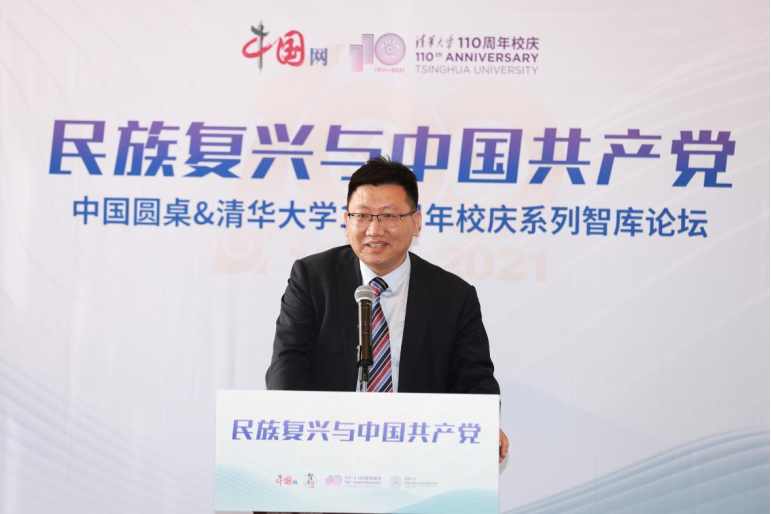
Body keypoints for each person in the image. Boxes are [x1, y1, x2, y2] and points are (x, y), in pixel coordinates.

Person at [266, 156, 509, 462]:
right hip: (327, 446)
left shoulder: (453, 295)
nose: (374, 229)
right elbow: (288, 363)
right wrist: (291, 427)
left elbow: (474, 377)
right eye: (362, 216)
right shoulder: (313, 278)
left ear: (415, 223)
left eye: (389, 216)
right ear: (347, 222)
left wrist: (483, 422)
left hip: (417, 452)